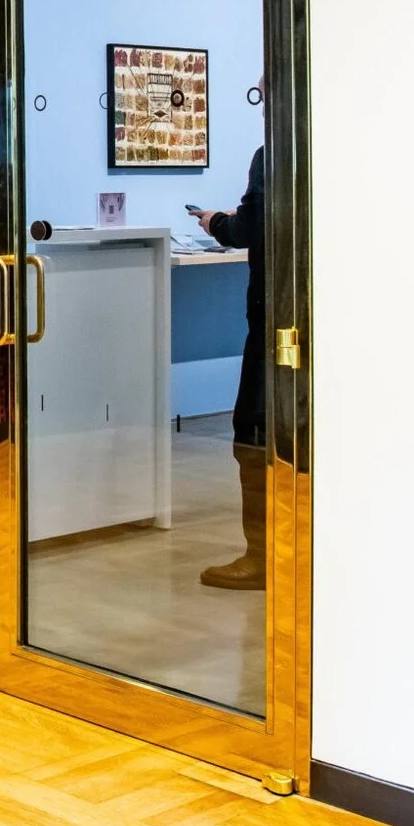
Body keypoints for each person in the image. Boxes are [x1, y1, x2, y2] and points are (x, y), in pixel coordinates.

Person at [188, 145, 267, 591]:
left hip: (280, 315)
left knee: (254, 432)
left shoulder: (273, 150)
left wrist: (217, 222)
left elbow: (250, 227)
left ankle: (262, 555)